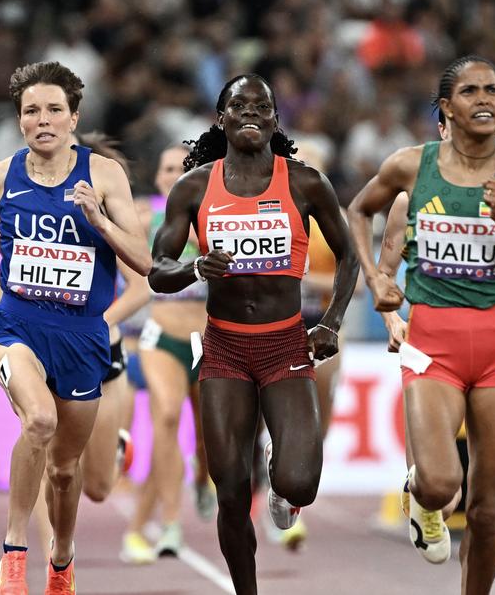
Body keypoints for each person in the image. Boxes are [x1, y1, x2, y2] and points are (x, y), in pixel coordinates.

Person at [347, 55, 495, 595]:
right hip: (432, 339)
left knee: (486, 511)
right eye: (470, 92)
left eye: (494, 90)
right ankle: (422, 497)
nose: (485, 99)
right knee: (442, 483)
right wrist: (376, 282)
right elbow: (357, 211)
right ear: (447, 108)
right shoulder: (410, 166)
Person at [149, 74, 359, 595]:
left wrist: (330, 322)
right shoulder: (195, 187)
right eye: (237, 105)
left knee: (299, 483)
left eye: (260, 106)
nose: (250, 112)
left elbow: (351, 254)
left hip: (285, 342)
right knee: (229, 491)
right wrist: (196, 270)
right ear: (220, 119)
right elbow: (158, 268)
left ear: (273, 120)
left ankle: (281, 482)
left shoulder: (306, 183)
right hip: (223, 347)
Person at [0, 61, 151, 595]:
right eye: (30, 111)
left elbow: (145, 264)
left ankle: (62, 558)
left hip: (83, 335)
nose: (41, 120)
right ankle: (14, 553)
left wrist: (101, 221)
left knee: (66, 472)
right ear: (19, 121)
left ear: (73, 118)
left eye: (52, 110)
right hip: (17, 323)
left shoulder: (105, 175)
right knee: (38, 421)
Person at [30, 132, 151, 558]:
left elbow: (140, 288)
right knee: (48, 453)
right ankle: (54, 555)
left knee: (99, 487)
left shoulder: (101, 212)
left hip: (101, 353)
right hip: (43, 350)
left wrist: (92, 326)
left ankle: (116, 448)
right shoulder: (29, 208)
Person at [123, 144, 216, 565]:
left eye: (183, 168)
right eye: (167, 168)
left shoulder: (216, 214)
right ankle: (172, 525)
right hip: (161, 334)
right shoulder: (145, 216)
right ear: (158, 177)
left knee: (208, 439)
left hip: (210, 338)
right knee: (165, 419)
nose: (174, 174)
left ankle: (202, 476)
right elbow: (131, 267)